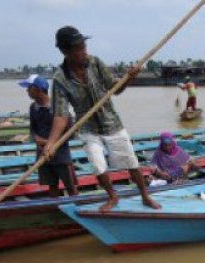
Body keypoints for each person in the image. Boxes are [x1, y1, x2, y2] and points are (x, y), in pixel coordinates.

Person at [44, 26, 160, 211]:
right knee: (98, 166)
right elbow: (60, 114)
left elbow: (116, 88)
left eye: (84, 46)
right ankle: (112, 197)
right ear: (66, 52)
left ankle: (145, 196)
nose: (84, 51)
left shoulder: (95, 63)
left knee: (131, 162)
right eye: (79, 48)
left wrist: (128, 78)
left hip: (111, 123)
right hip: (88, 128)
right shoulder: (60, 79)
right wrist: (51, 143)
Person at [19, 74, 78, 198]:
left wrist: (48, 142)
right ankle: (56, 208)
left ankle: (78, 208)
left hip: (61, 154)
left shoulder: (59, 108)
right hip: (43, 155)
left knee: (70, 185)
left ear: (38, 90)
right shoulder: (33, 108)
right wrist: (36, 138)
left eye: (29, 88)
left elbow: (71, 133)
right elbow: (33, 129)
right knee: (51, 185)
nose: (27, 91)